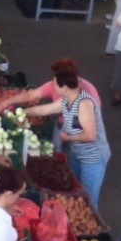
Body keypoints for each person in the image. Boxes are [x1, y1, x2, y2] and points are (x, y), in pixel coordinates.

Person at [24, 68, 112, 206]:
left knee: (87, 199)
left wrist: (68, 138)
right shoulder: (66, 100)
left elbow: (91, 135)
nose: (53, 86)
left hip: (93, 158)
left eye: (55, 84)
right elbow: (43, 109)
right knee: (73, 189)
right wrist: (20, 112)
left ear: (64, 87)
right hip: (77, 152)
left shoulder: (84, 104)